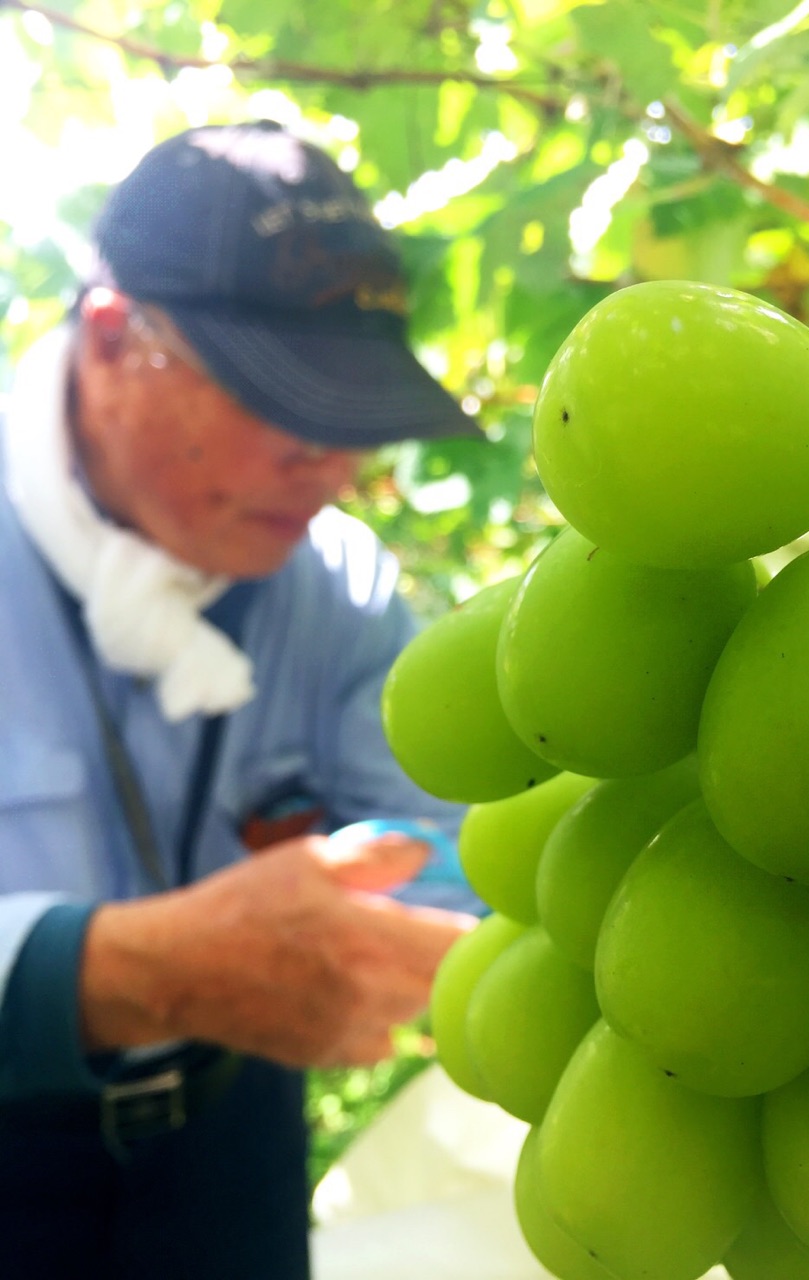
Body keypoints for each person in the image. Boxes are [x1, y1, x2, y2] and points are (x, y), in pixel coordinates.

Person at [0, 119, 487, 1279]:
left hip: (231, 1156)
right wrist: (119, 970)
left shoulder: (338, 588)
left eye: (354, 411)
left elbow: (450, 866)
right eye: (285, 399)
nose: (333, 463)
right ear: (116, 340)